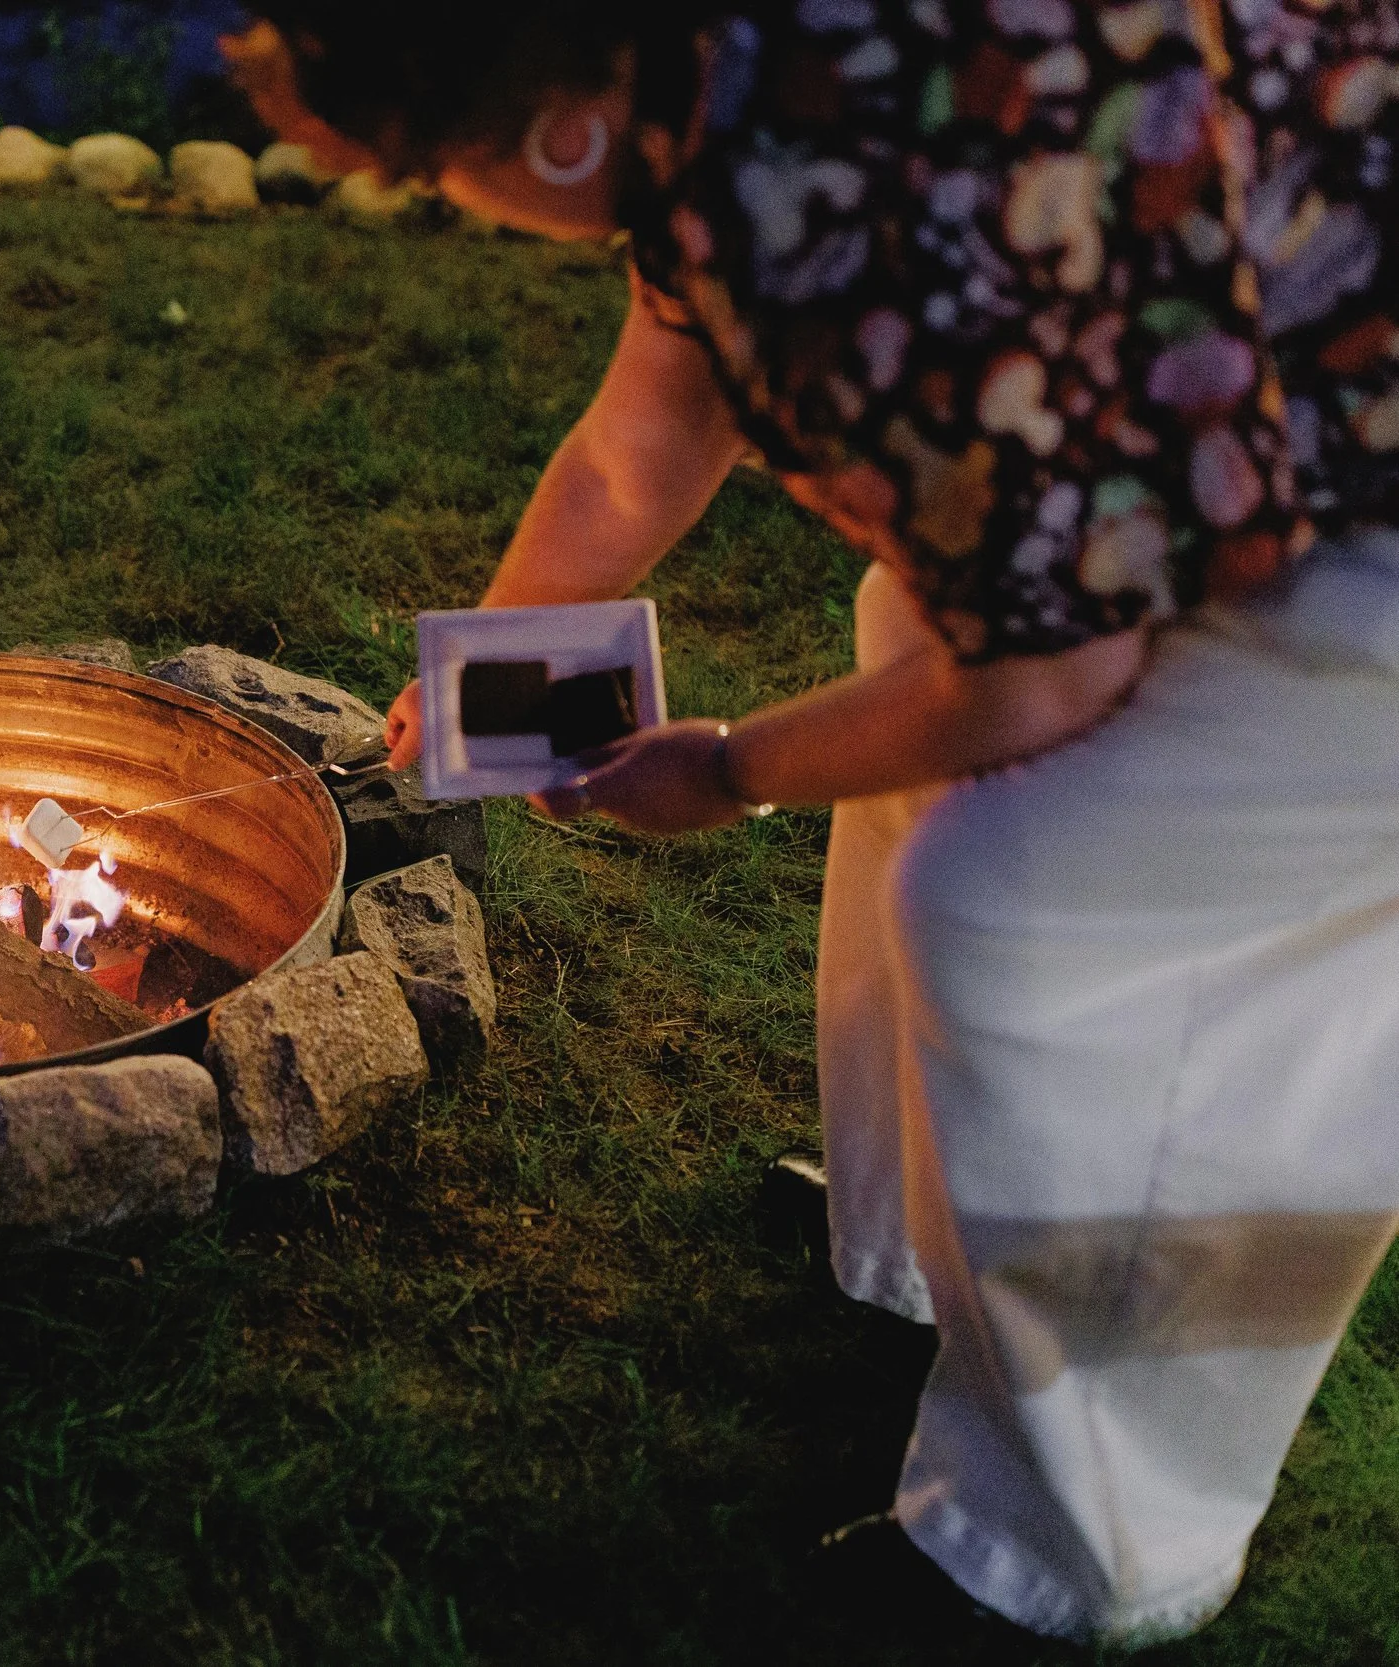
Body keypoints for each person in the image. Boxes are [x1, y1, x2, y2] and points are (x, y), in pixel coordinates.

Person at [229, 0, 1399, 1643]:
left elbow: (1047, 672)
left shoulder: (849, 220)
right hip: (1233, 408)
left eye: (438, 173)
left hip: (1367, 494)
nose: (449, 206)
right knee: (901, 630)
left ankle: (1070, 1554)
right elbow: (637, 455)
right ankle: (931, 1254)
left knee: (1027, 901)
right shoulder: (713, 90)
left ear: (555, 130)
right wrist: (482, 662)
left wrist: (725, 768)